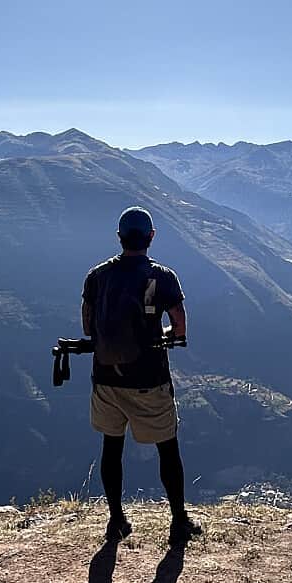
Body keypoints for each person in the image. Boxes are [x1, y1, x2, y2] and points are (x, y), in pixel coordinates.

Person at [82, 206, 202, 544]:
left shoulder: (97, 276)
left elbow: (88, 326)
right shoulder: (162, 277)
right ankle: (178, 521)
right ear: (151, 237)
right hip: (148, 379)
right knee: (168, 449)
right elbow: (179, 324)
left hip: (106, 378)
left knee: (111, 448)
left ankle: (116, 520)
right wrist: (164, 334)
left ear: (119, 237)